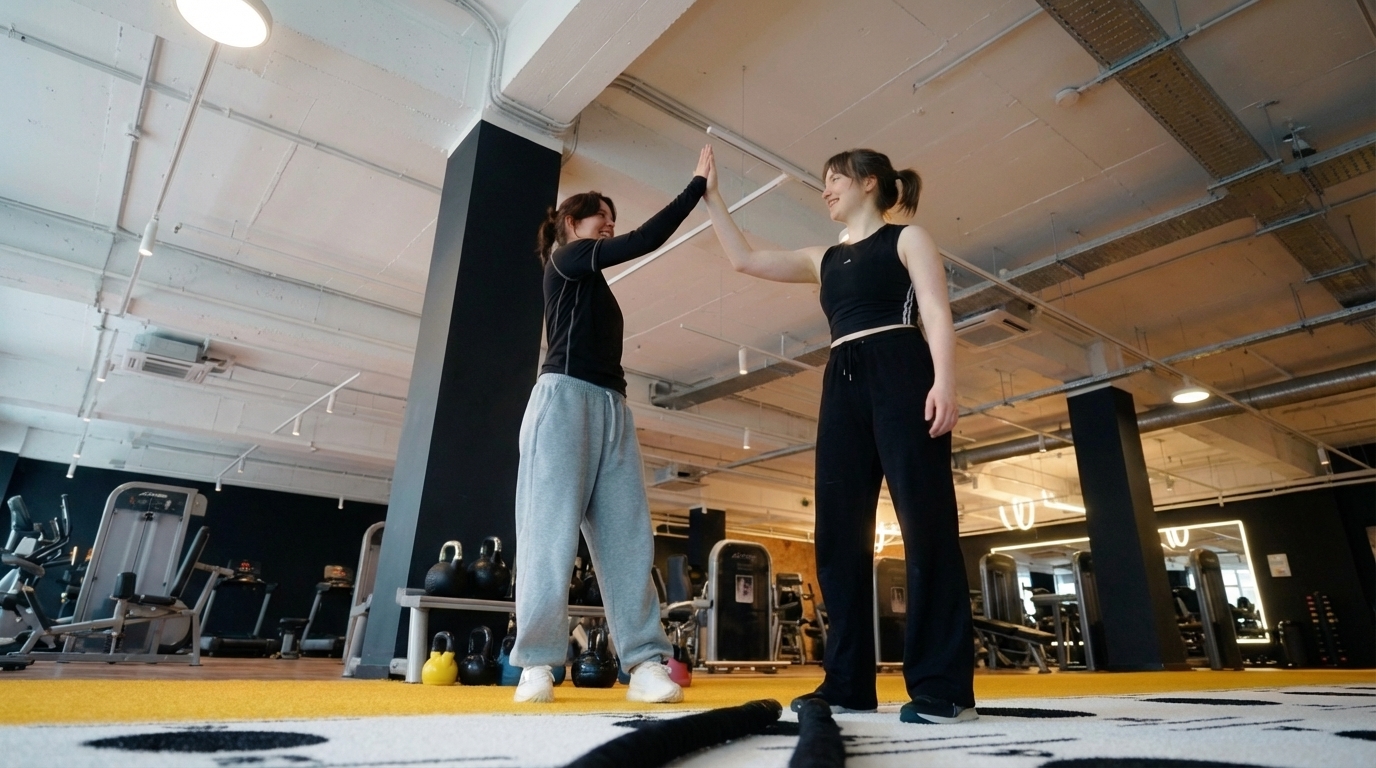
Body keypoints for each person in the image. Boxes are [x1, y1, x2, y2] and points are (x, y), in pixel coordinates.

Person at [701, 146, 976, 724]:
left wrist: (945, 383)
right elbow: (744, 259)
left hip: (901, 367)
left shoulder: (908, 239)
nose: (825, 191)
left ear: (869, 182)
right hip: (842, 380)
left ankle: (942, 688)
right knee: (836, 535)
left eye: (834, 180)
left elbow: (935, 311)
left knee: (926, 527)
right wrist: (712, 196)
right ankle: (848, 683)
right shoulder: (822, 256)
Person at [508, 147, 713, 704]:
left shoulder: (592, 283)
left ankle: (646, 663)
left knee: (628, 539)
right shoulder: (567, 260)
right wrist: (696, 186)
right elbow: (644, 241)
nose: (611, 227)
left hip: (612, 407)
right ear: (574, 223)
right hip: (564, 401)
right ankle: (537, 664)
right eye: (603, 217)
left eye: (613, 221)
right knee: (549, 535)